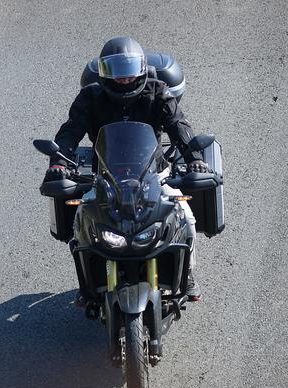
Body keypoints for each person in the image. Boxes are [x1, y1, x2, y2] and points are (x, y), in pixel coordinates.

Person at [47, 36, 211, 298]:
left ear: (142, 69)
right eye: (116, 71)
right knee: (81, 222)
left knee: (186, 217)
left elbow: (178, 123)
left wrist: (195, 158)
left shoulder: (157, 90)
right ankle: (87, 283)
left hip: (154, 173)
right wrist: (58, 161)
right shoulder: (90, 96)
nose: (123, 78)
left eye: (129, 70)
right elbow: (71, 129)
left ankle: (187, 274)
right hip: (104, 176)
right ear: (103, 73)